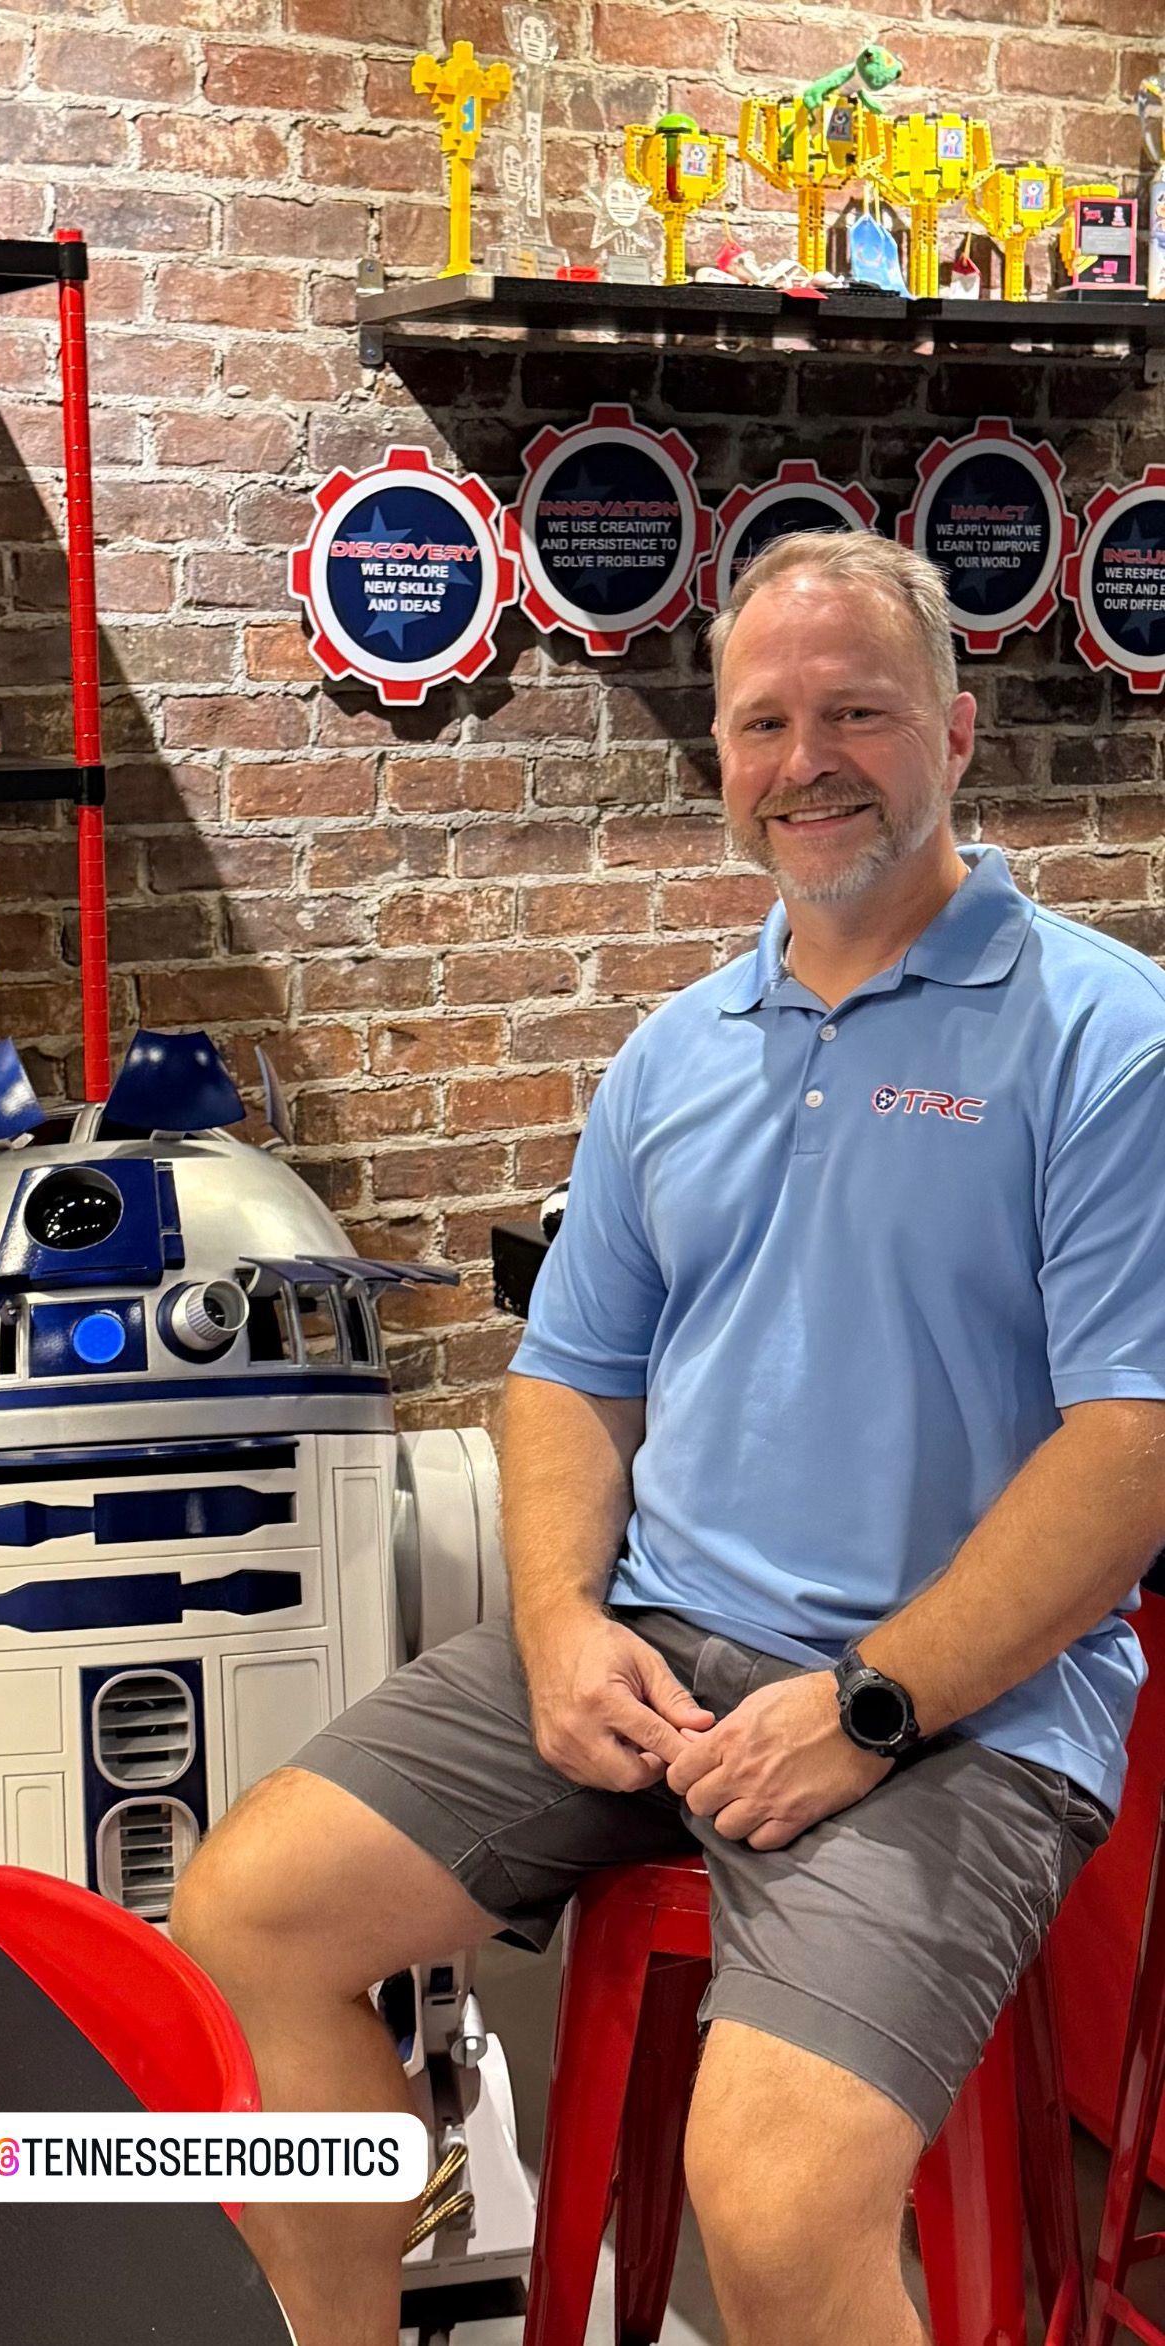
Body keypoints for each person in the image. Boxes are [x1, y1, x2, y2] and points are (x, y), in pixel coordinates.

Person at [172, 530, 1165, 2346]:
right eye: (764, 722)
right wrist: (559, 1623)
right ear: (721, 758)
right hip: (659, 1652)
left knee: (775, 2203)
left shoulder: (1107, 1039)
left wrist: (873, 1701)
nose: (810, 761)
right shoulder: (677, 1051)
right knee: (247, 1918)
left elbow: (1132, 1444)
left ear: (957, 726)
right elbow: (569, 1378)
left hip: (961, 1713)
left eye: (857, 709)